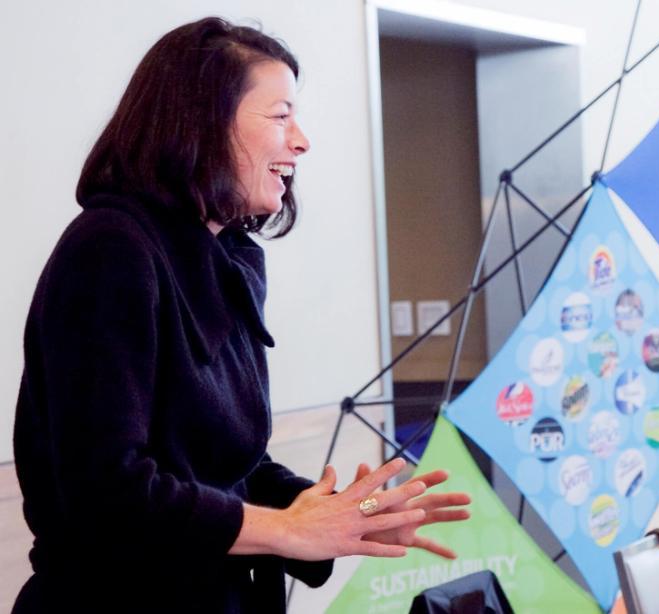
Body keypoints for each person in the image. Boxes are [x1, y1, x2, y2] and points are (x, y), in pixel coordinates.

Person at [13, 18, 470, 613]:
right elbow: (107, 490)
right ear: (199, 123)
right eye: (280, 116)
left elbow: (228, 474)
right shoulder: (110, 249)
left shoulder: (222, 257)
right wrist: (288, 530)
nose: (302, 141)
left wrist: (342, 518)